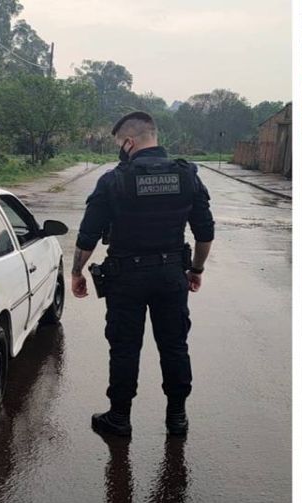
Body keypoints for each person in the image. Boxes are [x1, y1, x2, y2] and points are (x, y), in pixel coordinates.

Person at [71, 111, 214, 437]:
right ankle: (177, 418)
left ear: (129, 142)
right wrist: (196, 270)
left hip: (126, 278)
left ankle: (119, 419)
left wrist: (77, 272)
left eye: (120, 144)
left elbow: (88, 234)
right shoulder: (187, 175)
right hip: (171, 275)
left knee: (124, 348)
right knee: (175, 346)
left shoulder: (113, 180)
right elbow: (205, 233)